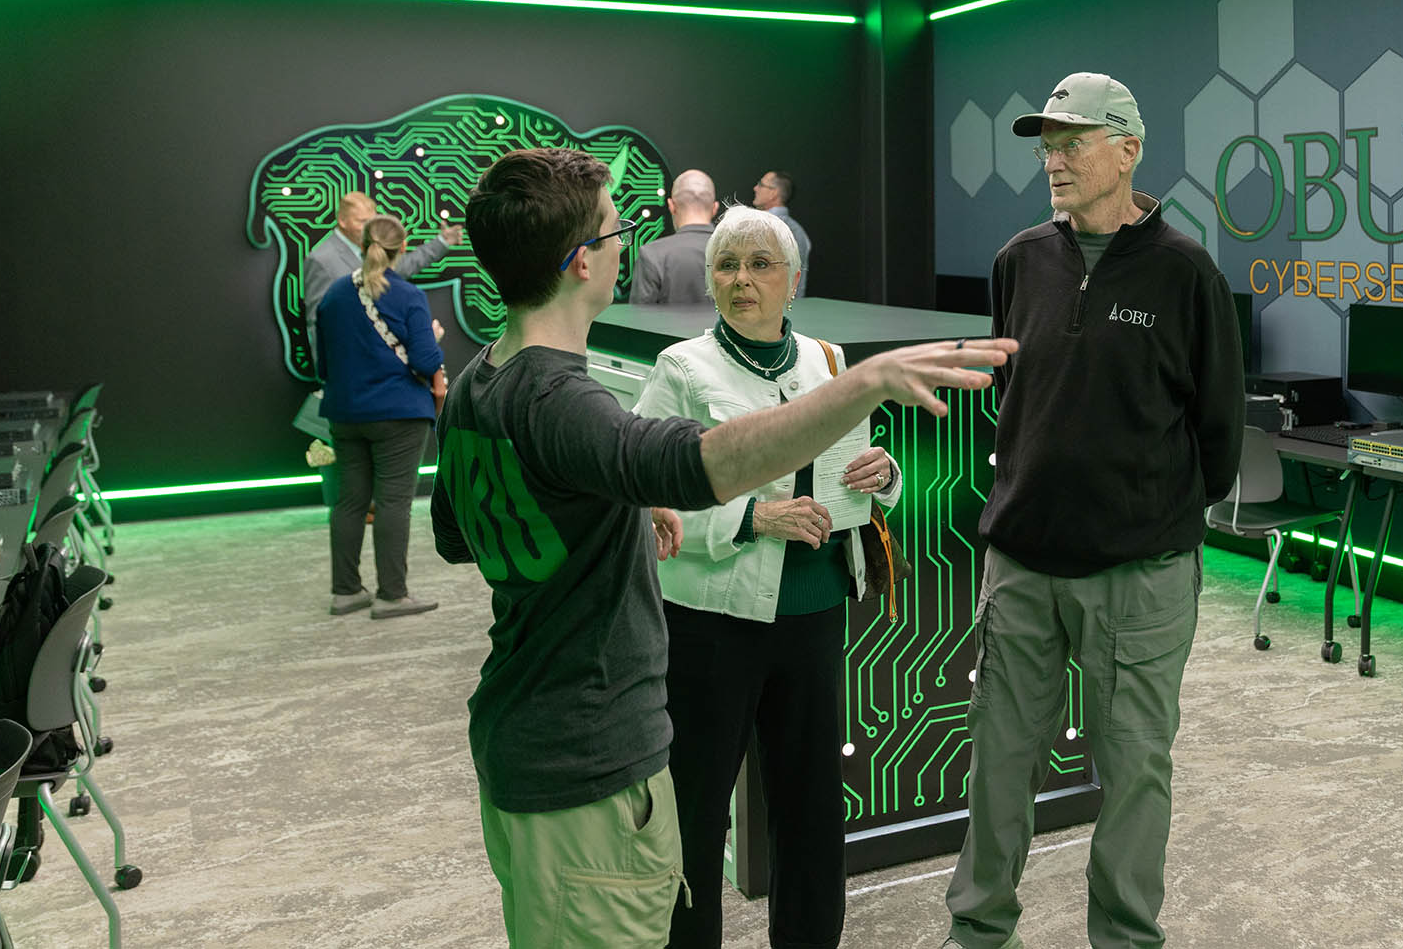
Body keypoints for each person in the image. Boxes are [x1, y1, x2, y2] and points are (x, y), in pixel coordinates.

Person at [428, 146, 1015, 949]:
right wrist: (863, 387)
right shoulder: (567, 399)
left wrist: (622, 507)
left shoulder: (478, 381)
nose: (628, 248)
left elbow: (458, 535)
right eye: (615, 232)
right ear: (580, 262)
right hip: (587, 748)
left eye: (762, 265)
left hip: (526, 730)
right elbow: (690, 465)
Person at [943, 73, 1244, 949]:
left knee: (1135, 772)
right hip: (1021, 566)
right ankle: (979, 930)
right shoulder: (1019, 261)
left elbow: (1219, 433)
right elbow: (1017, 397)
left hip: (1138, 578)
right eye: (1047, 146)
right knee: (998, 763)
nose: (1054, 161)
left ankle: (1123, 937)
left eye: (1072, 142)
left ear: (1127, 150)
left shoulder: (1186, 273)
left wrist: (1143, 514)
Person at [635, 205, 902, 949]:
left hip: (815, 616)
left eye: (760, 265)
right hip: (711, 625)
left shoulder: (828, 361)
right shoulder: (682, 369)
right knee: (696, 813)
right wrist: (752, 519)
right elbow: (648, 502)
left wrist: (885, 477)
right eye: (727, 265)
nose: (741, 280)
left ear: (794, 279)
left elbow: (856, 475)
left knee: (811, 810)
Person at [315, 213, 448, 619]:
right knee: (393, 502)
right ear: (402, 248)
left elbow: (323, 366)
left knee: (349, 502)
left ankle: (345, 592)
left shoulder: (334, 295)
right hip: (399, 414)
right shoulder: (408, 296)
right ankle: (392, 594)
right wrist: (434, 339)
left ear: (361, 245)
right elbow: (425, 361)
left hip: (345, 412)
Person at [303, 191, 461, 363]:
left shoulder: (373, 248)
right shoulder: (321, 260)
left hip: (380, 360)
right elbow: (317, 321)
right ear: (342, 221)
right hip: (349, 364)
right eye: (362, 222)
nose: (369, 228)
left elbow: (403, 266)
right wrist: (327, 370)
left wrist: (442, 242)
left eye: (372, 221)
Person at [634, 170, 720, 305]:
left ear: (671, 206)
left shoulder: (652, 255)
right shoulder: (736, 251)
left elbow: (639, 314)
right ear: (715, 208)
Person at [753, 170, 811, 297]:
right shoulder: (799, 231)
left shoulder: (759, 228)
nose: (755, 188)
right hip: (793, 305)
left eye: (761, 184)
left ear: (773, 193)